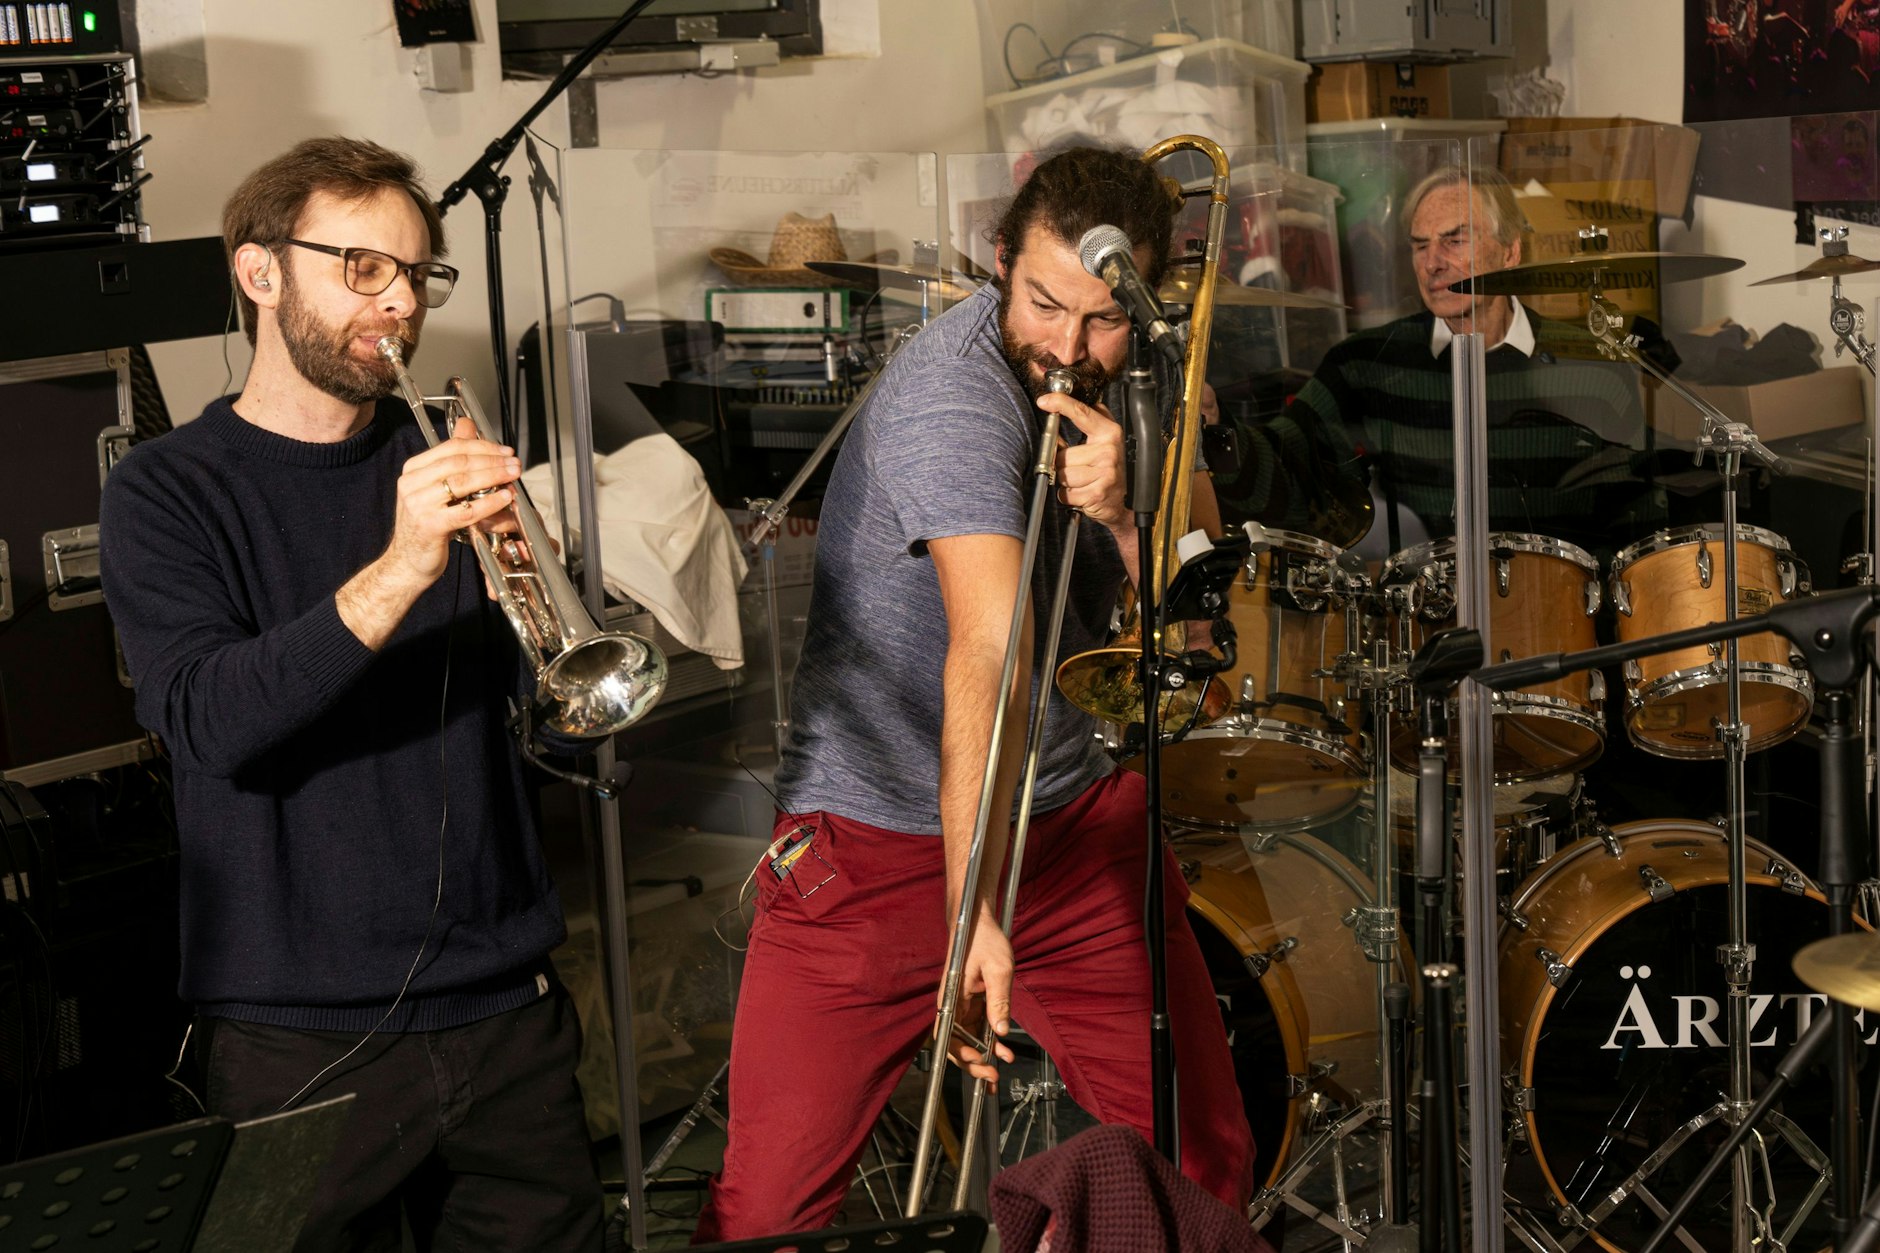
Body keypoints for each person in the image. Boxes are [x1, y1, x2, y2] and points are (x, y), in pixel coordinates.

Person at [692, 147, 1256, 1241]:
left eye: (1101, 318)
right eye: (1042, 302)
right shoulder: (948, 397)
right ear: (999, 263)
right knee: (766, 1212)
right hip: (874, 838)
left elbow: (1202, 635)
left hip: (1064, 821)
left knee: (1201, 1158)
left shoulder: (1144, 373)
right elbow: (987, 651)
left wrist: (1133, 511)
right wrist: (967, 911)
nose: (1066, 344)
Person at [98, 137, 603, 1251]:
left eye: (417, 273)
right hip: (300, 1030)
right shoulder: (165, 491)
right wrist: (403, 565)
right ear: (260, 272)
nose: (401, 304)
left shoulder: (443, 459)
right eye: (362, 267)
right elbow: (206, 722)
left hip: (505, 1004)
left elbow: (567, 719)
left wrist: (549, 584)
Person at [1212, 164, 1664, 561]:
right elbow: (1290, 465)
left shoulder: (1595, 367)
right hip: (1426, 622)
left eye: (1455, 241)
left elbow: (1639, 525)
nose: (1433, 263)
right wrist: (1218, 428)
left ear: (1510, 251)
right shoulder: (1367, 364)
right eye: (1420, 246)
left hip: (1564, 628)